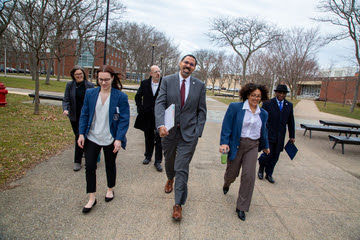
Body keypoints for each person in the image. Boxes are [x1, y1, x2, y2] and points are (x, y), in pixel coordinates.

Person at [155, 54, 207, 221]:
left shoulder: (199, 85)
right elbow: (160, 103)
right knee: (169, 161)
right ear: (180, 63)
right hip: (169, 132)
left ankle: (178, 204)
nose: (188, 65)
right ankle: (170, 177)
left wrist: (198, 131)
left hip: (189, 134)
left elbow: (202, 111)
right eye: (186, 62)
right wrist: (160, 125)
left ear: (194, 68)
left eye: (192, 64)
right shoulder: (167, 81)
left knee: (182, 166)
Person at [77, 65, 130, 214]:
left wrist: (119, 139)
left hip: (110, 138)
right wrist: (81, 133)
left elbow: (124, 120)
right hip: (92, 136)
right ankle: (91, 198)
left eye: (107, 79)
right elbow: (84, 114)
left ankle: (110, 189)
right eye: (100, 79)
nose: (103, 83)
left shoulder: (120, 97)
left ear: (113, 78)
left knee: (110, 165)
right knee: (90, 167)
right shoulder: (90, 93)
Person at [219, 83, 270, 221]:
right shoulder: (235, 108)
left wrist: (265, 146)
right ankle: (227, 183)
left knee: (249, 176)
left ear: (262, 97)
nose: (255, 98)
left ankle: (241, 207)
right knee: (232, 173)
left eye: (258, 96)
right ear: (247, 95)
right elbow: (227, 126)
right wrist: (224, 142)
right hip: (236, 144)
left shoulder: (263, 113)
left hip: (252, 146)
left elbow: (263, 131)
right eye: (253, 95)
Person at [257, 84, 295, 183]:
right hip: (269, 135)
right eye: (279, 92)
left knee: (275, 156)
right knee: (267, 154)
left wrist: (292, 136)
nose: (281, 95)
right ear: (276, 93)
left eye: (284, 93)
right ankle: (261, 167)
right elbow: (261, 120)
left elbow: (291, 122)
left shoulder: (289, 106)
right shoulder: (268, 103)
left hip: (280, 136)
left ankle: (269, 174)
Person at [62, 66, 94, 171]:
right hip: (74, 116)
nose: (79, 76)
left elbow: (93, 101)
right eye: (77, 74)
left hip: (86, 116)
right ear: (73, 76)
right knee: (78, 137)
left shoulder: (89, 85)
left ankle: (84, 161)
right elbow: (66, 99)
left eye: (81, 74)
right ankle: (80, 157)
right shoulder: (70, 85)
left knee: (83, 137)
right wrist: (65, 109)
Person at [134, 65, 163, 172]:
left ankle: (158, 161)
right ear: (150, 73)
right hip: (147, 115)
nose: (158, 74)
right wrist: (140, 108)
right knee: (148, 136)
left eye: (159, 71)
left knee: (160, 138)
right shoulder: (144, 83)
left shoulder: (164, 83)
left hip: (160, 115)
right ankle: (148, 156)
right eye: (155, 72)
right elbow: (138, 97)